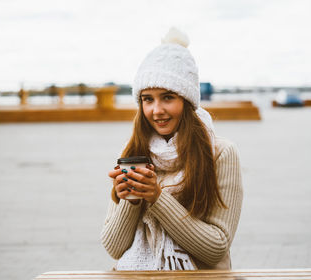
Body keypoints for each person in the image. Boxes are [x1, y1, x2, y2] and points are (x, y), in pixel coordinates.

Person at [101, 27, 243, 270]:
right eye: (147, 99)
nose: (156, 110)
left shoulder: (220, 153)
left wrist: (156, 197)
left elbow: (216, 248)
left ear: (187, 101)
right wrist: (131, 200)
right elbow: (114, 247)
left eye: (167, 97)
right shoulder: (133, 152)